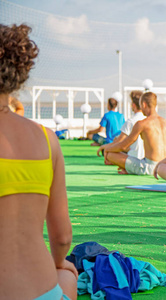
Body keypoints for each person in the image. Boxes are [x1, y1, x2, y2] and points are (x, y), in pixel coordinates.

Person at [0, 23, 77, 299]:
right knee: (66, 274)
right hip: (42, 292)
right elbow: (62, 237)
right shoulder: (47, 140)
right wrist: (59, 263)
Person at [97, 92, 166, 175]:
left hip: (150, 168)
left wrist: (106, 150)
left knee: (110, 154)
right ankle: (129, 169)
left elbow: (123, 146)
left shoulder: (142, 123)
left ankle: (129, 169)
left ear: (143, 104)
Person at [102, 90, 146, 172]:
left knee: (109, 153)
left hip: (134, 159)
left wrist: (105, 148)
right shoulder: (148, 120)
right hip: (147, 160)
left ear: (133, 105)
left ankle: (127, 167)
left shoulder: (131, 121)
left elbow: (119, 144)